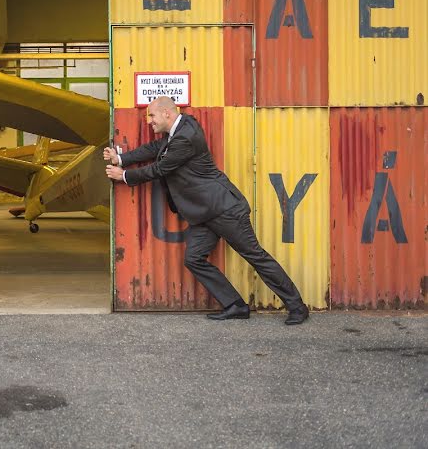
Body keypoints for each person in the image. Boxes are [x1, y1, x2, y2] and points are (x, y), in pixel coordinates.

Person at [103, 96, 309, 325]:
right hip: (204, 212)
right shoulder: (179, 129)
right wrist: (121, 158)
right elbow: (155, 148)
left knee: (255, 256)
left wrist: (123, 176)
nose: (149, 121)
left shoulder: (185, 138)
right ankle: (236, 305)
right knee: (194, 259)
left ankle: (297, 307)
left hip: (224, 209)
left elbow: (161, 168)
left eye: (152, 116)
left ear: (167, 114)